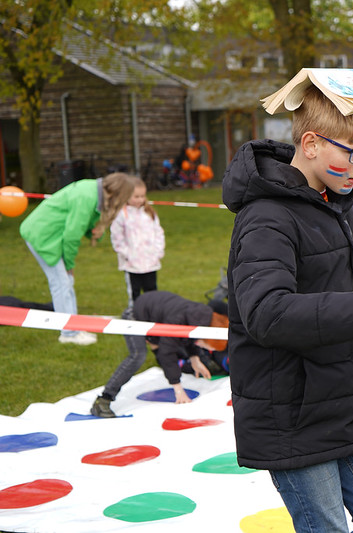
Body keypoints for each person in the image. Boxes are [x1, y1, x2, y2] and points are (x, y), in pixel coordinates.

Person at [222, 75, 353, 533]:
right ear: (313, 143)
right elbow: (268, 313)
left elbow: (352, 298)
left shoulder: (333, 206)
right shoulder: (266, 217)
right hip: (294, 418)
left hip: (345, 409)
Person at [19, 173, 137, 345]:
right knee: (61, 283)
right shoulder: (86, 196)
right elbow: (72, 236)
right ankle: (68, 333)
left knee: (66, 283)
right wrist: (69, 264)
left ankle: (74, 326)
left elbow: (86, 221)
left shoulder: (93, 190)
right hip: (42, 235)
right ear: (118, 193)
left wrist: (94, 233)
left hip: (50, 234)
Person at [91, 291, 229, 417]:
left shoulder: (202, 318)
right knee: (138, 355)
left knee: (167, 351)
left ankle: (166, 363)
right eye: (205, 345)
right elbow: (167, 352)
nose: (201, 346)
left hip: (157, 317)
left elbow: (190, 337)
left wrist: (194, 358)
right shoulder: (178, 321)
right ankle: (104, 399)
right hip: (137, 316)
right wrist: (178, 389)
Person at [110, 177, 165, 308]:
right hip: (132, 265)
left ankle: (152, 314)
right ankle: (135, 314)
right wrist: (127, 254)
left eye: (142, 196)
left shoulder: (150, 213)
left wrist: (157, 252)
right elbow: (117, 237)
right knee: (135, 292)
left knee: (151, 290)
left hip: (151, 262)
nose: (140, 199)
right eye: (136, 196)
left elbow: (158, 232)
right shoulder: (121, 215)